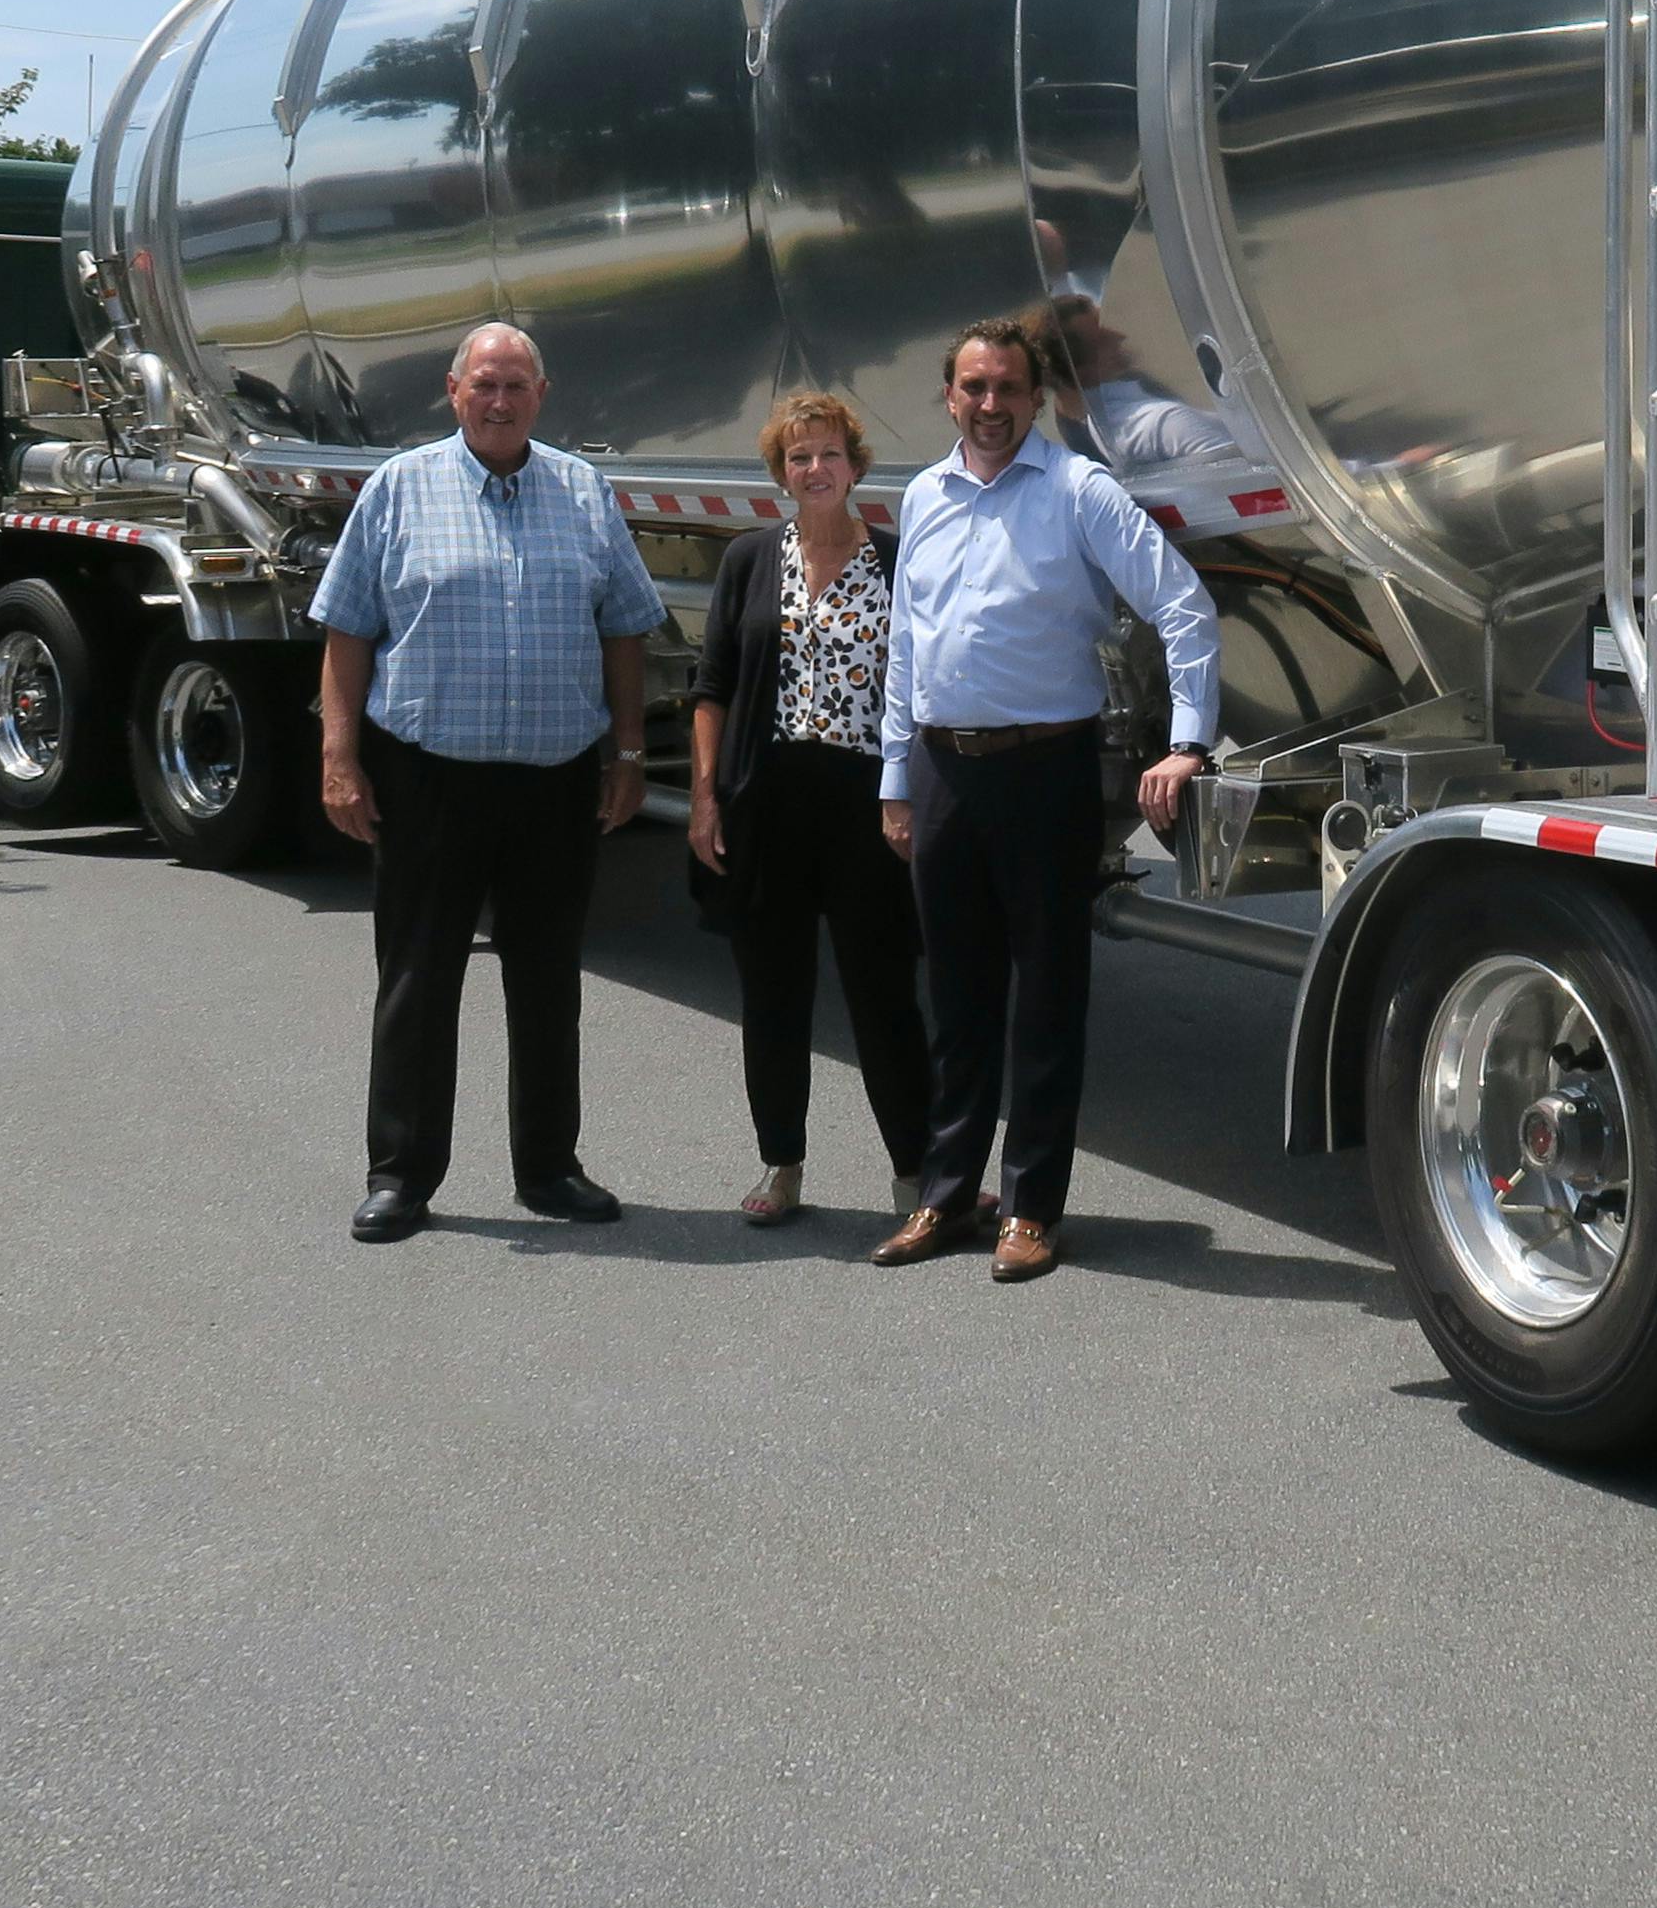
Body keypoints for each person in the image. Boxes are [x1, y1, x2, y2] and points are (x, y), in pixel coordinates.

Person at [866, 315, 1224, 1282]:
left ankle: (1030, 1209)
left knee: (1046, 1001)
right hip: (943, 772)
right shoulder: (923, 497)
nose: (991, 405)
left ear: (1034, 398)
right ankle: (946, 1196)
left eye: (1008, 389)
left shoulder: (1078, 490)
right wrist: (897, 781)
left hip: (1045, 772)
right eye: (974, 387)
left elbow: (1182, 604)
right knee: (956, 1000)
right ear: (949, 396)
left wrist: (1189, 741)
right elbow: (907, 649)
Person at [312, 321, 662, 1241]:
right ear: (454, 390)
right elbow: (347, 629)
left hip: (553, 782)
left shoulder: (583, 492)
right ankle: (401, 1175)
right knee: (418, 980)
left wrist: (630, 754)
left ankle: (549, 1168)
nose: (499, 401)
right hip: (429, 780)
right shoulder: (399, 489)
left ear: (541, 396)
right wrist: (339, 759)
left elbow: (624, 628)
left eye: (516, 386)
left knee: (547, 983)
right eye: (485, 385)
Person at [690, 391, 929, 1228]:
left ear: (855, 466)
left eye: (829, 454)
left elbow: (926, 688)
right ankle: (781, 1163)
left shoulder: (898, 561)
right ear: (780, 473)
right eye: (799, 457)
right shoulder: (750, 558)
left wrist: (911, 795)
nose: (815, 468)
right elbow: (714, 685)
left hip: (865, 803)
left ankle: (916, 1174)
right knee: (772, 992)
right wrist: (706, 798)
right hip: (767, 800)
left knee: (883, 992)